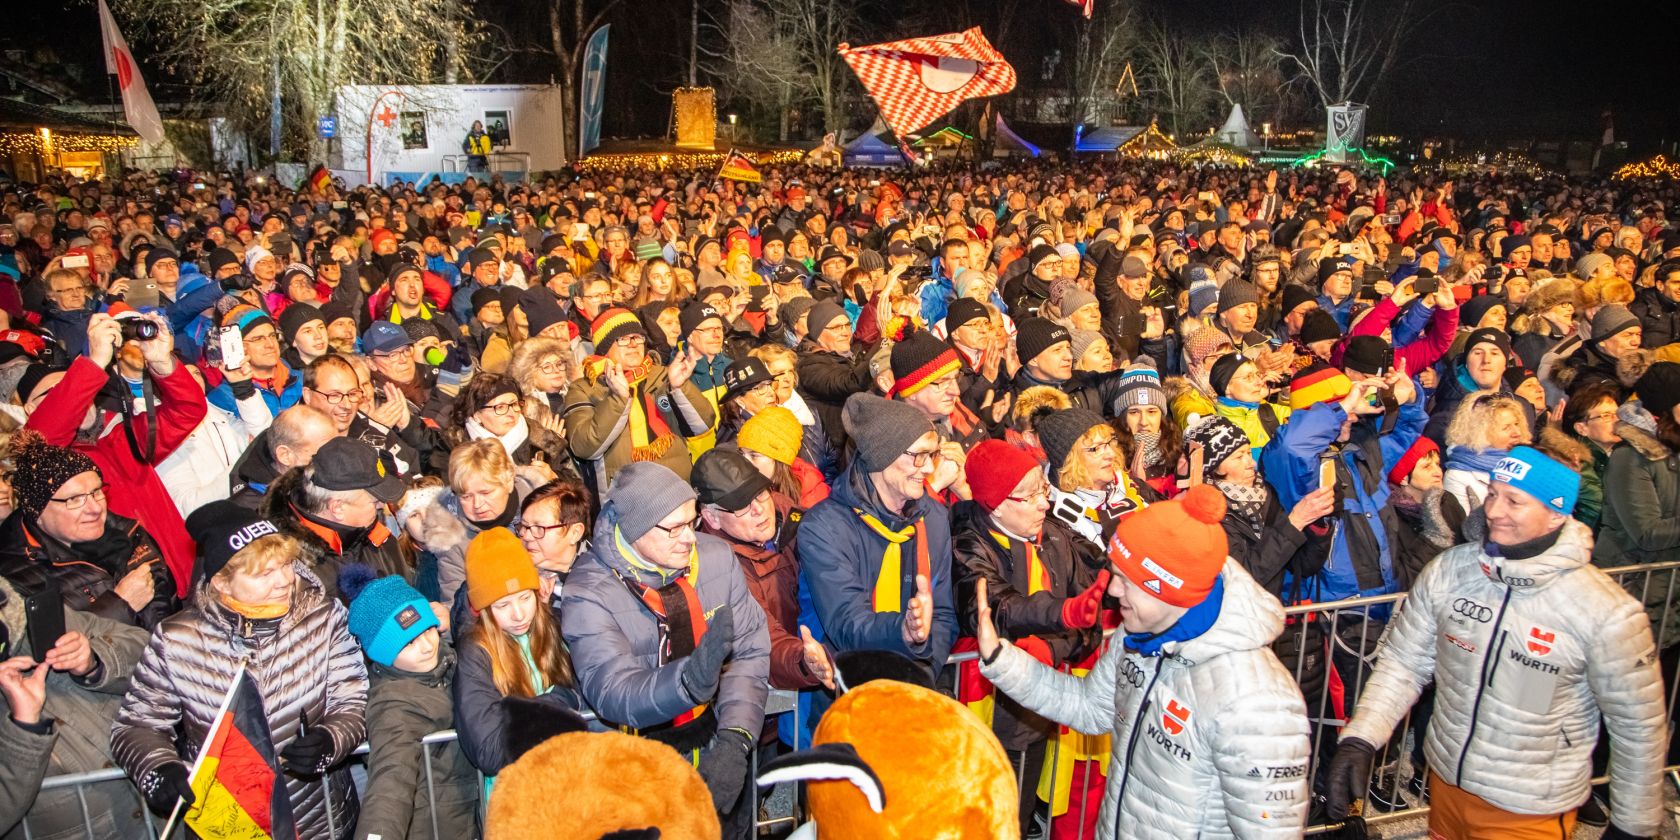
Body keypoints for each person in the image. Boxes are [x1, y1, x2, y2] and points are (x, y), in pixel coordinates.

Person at [1324, 447, 1666, 840]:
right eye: (1492, 494)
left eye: (1514, 500)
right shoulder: (1451, 570)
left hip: (1527, 806)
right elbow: (1404, 662)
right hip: (1447, 785)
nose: (1493, 511)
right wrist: (1362, 737)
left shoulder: (1604, 610)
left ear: (1557, 512)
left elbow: (1637, 727)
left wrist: (1632, 825)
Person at [976, 485, 1312, 839]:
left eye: (1126, 580)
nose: (1112, 591)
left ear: (1166, 587)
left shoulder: (1259, 701)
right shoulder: (1140, 635)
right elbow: (1089, 706)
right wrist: (1001, 658)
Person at [112, 504, 369, 837]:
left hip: (319, 819)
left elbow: (353, 700)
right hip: (229, 822)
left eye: (286, 564)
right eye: (264, 573)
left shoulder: (322, 615)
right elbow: (137, 723)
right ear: (222, 582)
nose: (284, 580)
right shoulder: (177, 639)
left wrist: (332, 739)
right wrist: (158, 767)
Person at [561, 462, 771, 837]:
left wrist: (735, 738)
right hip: (635, 769)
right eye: (674, 528)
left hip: (714, 746)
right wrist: (687, 683)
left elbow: (749, 652)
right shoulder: (589, 589)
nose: (690, 538)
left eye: (691, 523)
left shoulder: (716, 558)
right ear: (634, 529)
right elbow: (611, 689)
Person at [952, 439, 1111, 836]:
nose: (1045, 503)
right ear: (995, 504)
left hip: (1048, 701)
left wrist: (1050, 645)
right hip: (990, 710)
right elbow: (993, 609)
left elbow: (1089, 623)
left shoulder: (1056, 535)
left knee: (1026, 810)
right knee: (991, 816)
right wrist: (1060, 613)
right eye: (1029, 497)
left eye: (1043, 490)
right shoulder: (969, 542)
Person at [796, 393, 958, 728]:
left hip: (917, 700)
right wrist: (904, 631)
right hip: (847, 707)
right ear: (881, 457)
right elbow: (846, 623)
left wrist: (920, 674)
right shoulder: (824, 526)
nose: (928, 468)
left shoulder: (934, 517)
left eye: (933, 455)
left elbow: (943, 614)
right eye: (918, 457)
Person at [0, 576, 151, 840]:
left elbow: (153, 653)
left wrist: (95, 660)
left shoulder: (30, 617)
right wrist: (24, 726)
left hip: (158, 820)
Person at [341, 570, 478, 840]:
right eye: (409, 642)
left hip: (467, 813)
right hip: (437, 827)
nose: (427, 646)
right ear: (384, 653)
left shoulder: (449, 661)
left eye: (427, 630)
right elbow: (391, 780)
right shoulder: (394, 705)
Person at [0, 430, 180, 629]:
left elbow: (168, 615)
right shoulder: (14, 578)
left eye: (96, 492)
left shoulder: (130, 533)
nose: (95, 509)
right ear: (37, 511)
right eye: (74, 499)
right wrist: (120, 605)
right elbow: (52, 653)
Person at [451, 528, 584, 783]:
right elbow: (489, 749)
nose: (519, 614)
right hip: (516, 798)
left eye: (525, 598)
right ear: (484, 610)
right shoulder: (476, 652)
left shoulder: (557, 627)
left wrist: (517, 716)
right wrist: (561, 700)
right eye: (503, 605)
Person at [692, 447, 825, 692]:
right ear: (712, 518)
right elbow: (761, 637)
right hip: (770, 703)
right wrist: (803, 661)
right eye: (741, 505)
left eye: (760, 493)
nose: (759, 509)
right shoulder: (715, 569)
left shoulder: (793, 517)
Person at [563, 308, 714, 492]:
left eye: (638, 337)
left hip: (678, 489)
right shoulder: (584, 388)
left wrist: (679, 388)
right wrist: (618, 398)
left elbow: (703, 424)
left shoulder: (663, 375)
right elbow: (584, 447)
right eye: (623, 339)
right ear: (604, 346)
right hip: (627, 497)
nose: (633, 344)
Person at [263, 436, 411, 602]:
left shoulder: (376, 535)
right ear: (338, 508)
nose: (381, 506)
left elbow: (408, 591)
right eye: (375, 501)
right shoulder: (291, 570)